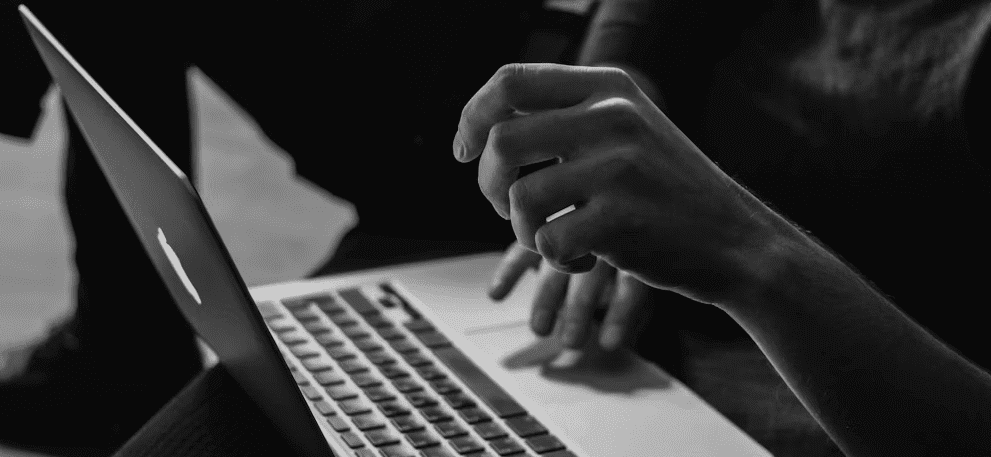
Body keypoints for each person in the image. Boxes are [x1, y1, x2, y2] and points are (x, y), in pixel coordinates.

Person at [1, 0, 988, 455]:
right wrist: (615, 122)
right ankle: (116, 355)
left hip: (764, 347)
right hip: (544, 173)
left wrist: (742, 249)